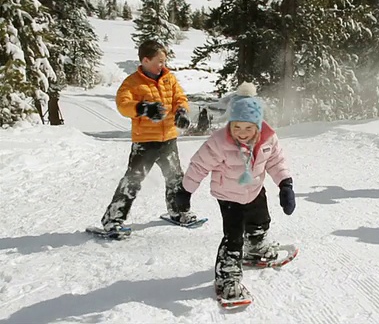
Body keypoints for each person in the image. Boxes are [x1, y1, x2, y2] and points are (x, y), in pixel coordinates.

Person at [175, 82, 296, 300]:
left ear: (258, 125)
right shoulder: (219, 142)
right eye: (236, 127)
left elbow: (276, 162)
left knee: (261, 220)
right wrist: (186, 191)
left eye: (248, 128)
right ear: (230, 124)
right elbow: (199, 166)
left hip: (255, 189)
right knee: (233, 237)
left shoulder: (268, 138)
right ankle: (227, 277)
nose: (242, 133)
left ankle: (256, 247)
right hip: (228, 195)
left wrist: (285, 184)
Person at [100, 39, 194, 233]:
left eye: (164, 61)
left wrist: (182, 112)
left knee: (176, 178)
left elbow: (180, 98)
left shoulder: (169, 78)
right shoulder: (132, 82)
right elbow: (122, 105)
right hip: (145, 142)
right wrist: (142, 108)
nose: (163, 65)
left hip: (168, 139)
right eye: (159, 61)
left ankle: (178, 211)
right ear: (145, 60)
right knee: (133, 180)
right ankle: (113, 219)